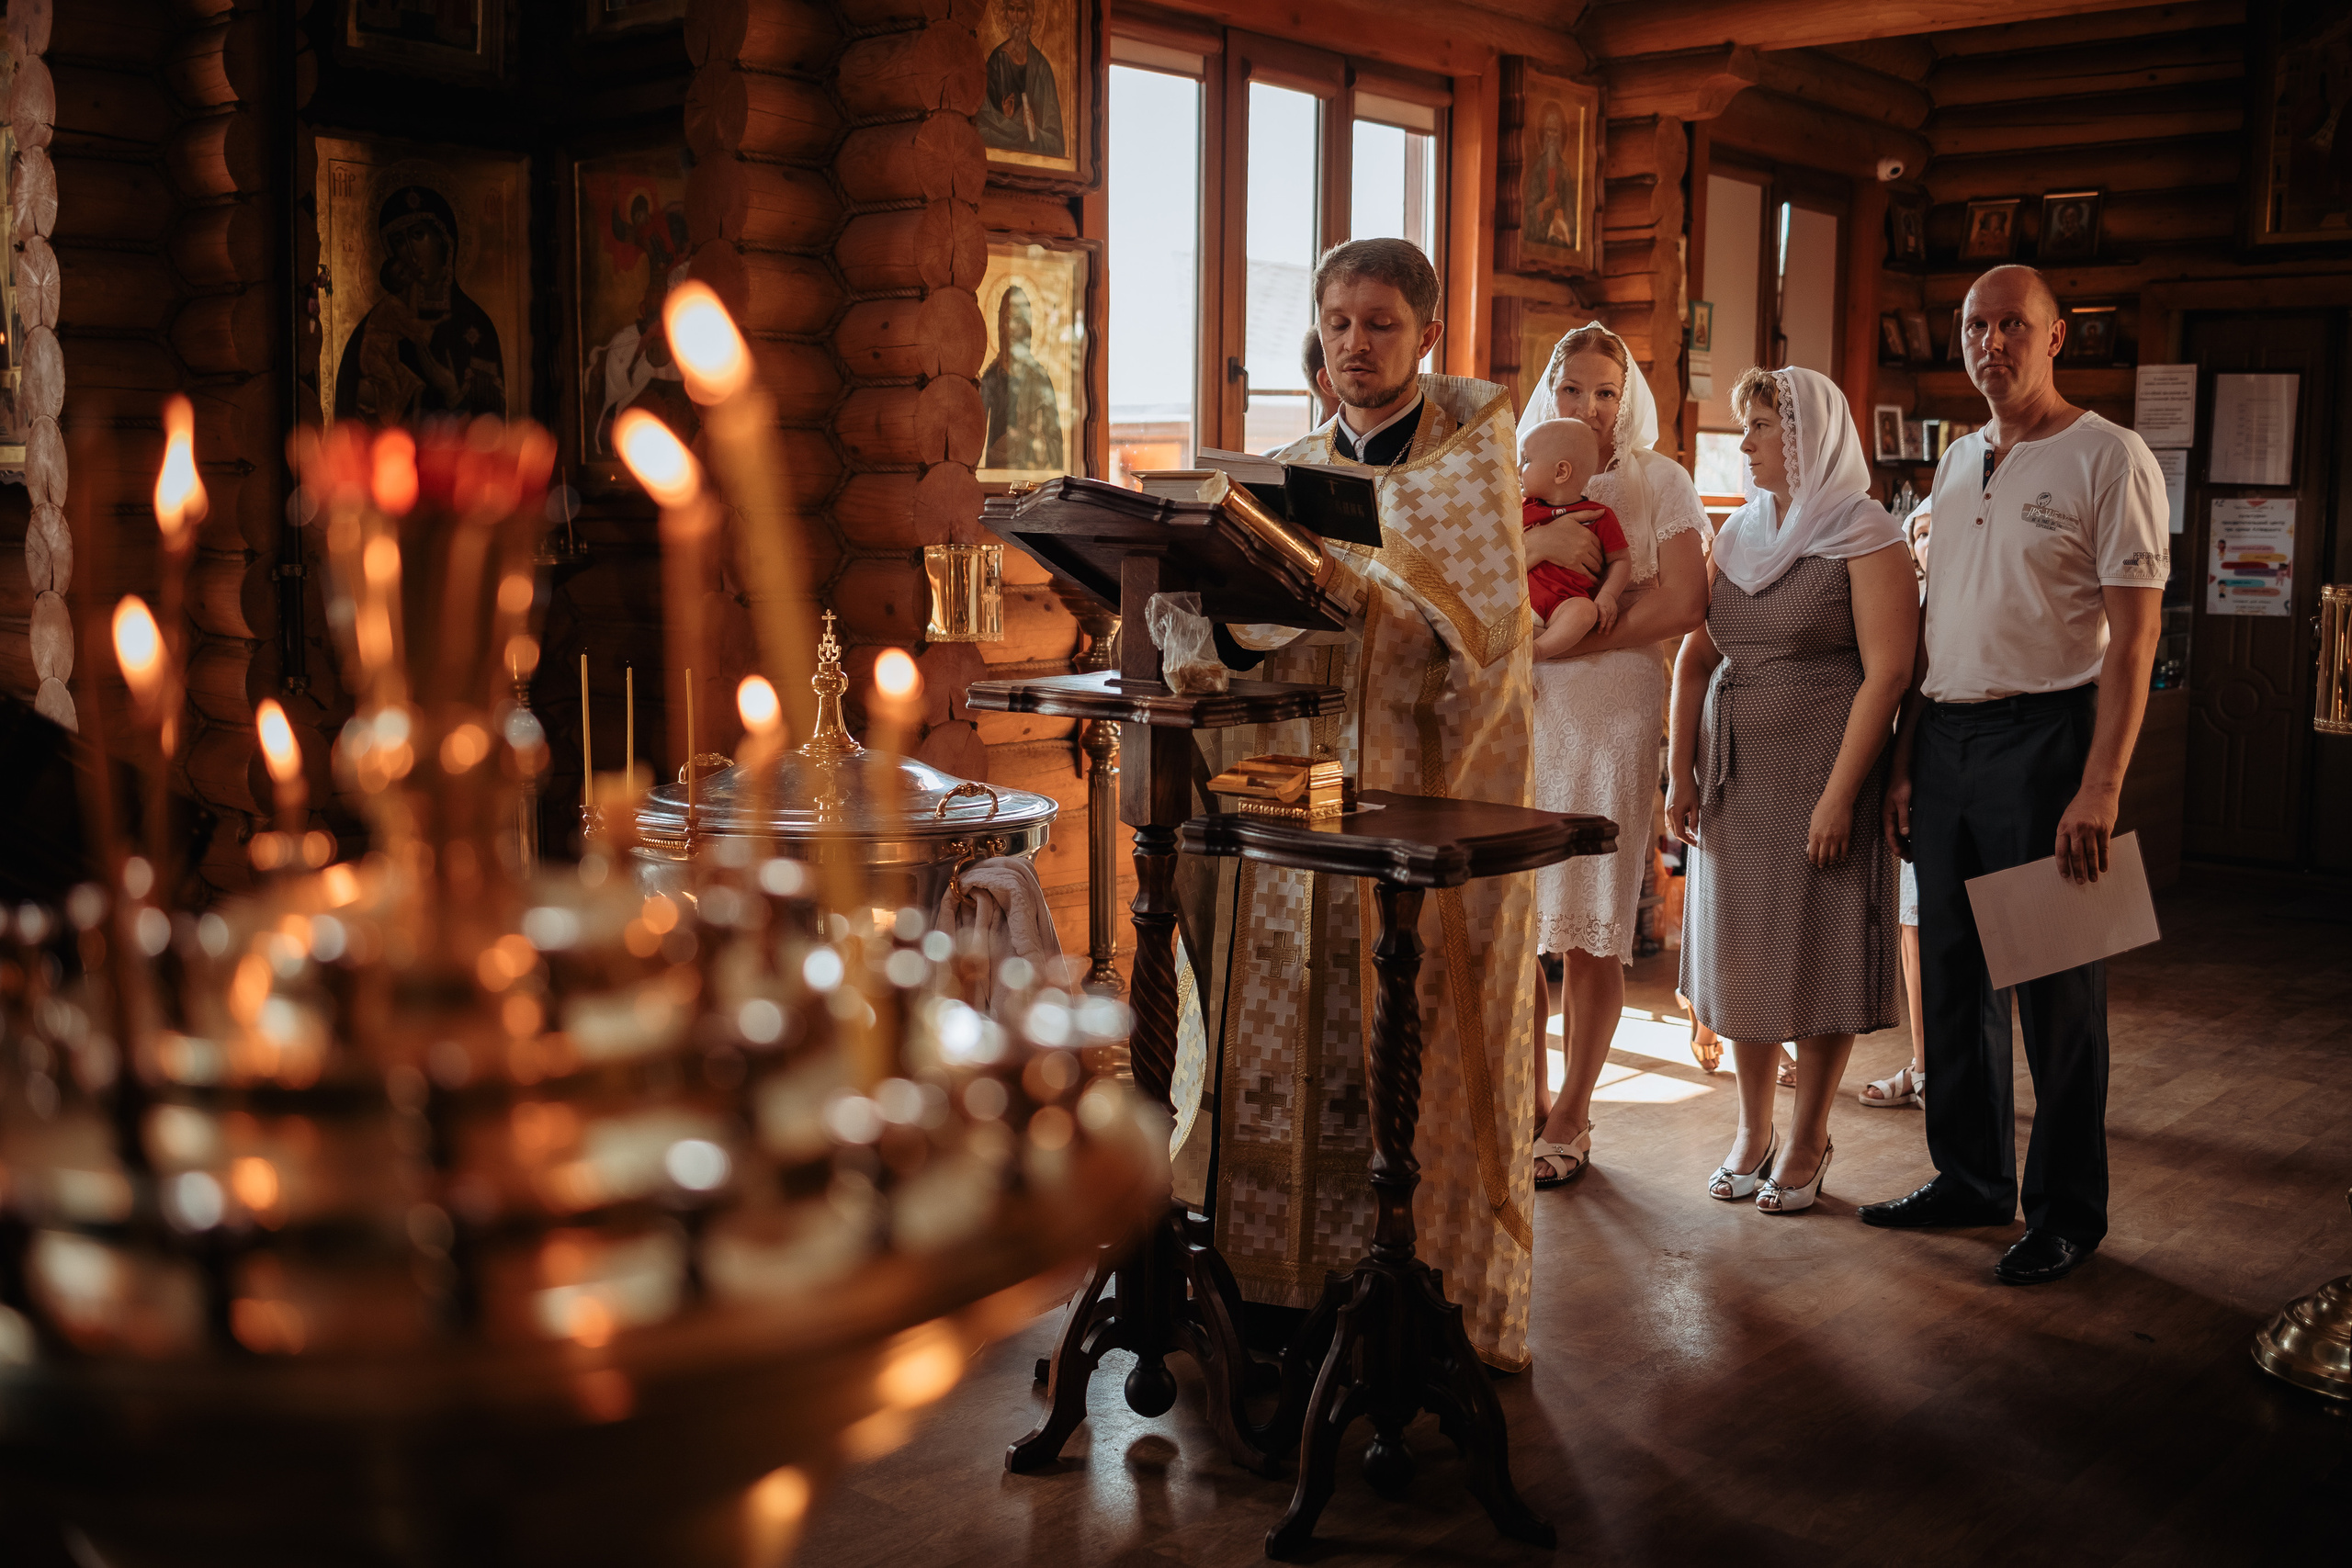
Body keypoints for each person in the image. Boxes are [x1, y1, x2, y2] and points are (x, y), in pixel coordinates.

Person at [1180, 238, 1542, 1370]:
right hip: (1294, 817)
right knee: (1286, 1048)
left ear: (1427, 336)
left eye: (1380, 323)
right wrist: (1235, 608)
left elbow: (1482, 634)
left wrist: (1351, 579)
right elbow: (1226, 645)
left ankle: (1410, 1304)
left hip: (1414, 810)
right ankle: (1278, 1298)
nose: (1354, 345)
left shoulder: (1468, 470)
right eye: (1336, 322)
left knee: (1401, 1051)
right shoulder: (1283, 470)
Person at [1862, 265, 2167, 1286]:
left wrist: (2100, 786)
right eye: (1973, 325)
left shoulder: (2108, 456)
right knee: (1950, 979)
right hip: (1945, 739)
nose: (1990, 343)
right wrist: (1906, 763)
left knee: (2057, 990)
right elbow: (1938, 626)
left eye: (2011, 326)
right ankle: (1971, 1178)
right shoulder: (1956, 462)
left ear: (2055, 336)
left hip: (2052, 741)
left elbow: (2133, 643)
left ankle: (2070, 1212)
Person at [1668, 367, 1915, 1213]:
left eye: (1762, 427)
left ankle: (1808, 1133)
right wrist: (1680, 772)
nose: (1746, 444)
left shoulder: (1866, 533)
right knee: (1743, 951)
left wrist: (1842, 795)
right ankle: (1751, 1127)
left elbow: (1887, 675)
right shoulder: (1737, 537)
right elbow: (1696, 657)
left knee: (1819, 946)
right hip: (1737, 777)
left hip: (1823, 771)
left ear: (1808, 437)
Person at [1518, 325, 1712, 1188]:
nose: (1589, 409)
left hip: (1611, 712)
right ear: (1550, 392)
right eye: (1573, 390)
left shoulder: (1656, 480)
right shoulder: (1515, 474)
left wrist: (1572, 644)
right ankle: (1521, 1097)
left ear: (1628, 396)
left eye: (1605, 392)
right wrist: (1536, 554)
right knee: (1519, 921)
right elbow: (1476, 575)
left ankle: (1574, 1110)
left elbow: (1682, 599)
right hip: (1526, 713)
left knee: (1592, 927)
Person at [1862, 500, 1933, 1111]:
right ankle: (1923, 1063)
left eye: (1942, 530)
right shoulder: (1901, 599)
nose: (1929, 541)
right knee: (1913, 925)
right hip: (1910, 772)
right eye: (1921, 532)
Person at [335, 185, 507, 426]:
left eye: (418, 235)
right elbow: (349, 423)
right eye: (399, 242)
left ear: (443, 239)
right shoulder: (376, 327)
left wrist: (452, 392)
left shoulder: (475, 325)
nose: (412, 255)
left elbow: (494, 432)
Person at [1521, 419, 1630, 660]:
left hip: (1564, 604)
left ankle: (1538, 650)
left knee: (1585, 611)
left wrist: (1608, 595)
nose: (1518, 469)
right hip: (1521, 599)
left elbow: (1620, 559)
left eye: (1526, 461)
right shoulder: (1521, 509)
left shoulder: (1599, 515)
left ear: (1560, 472)